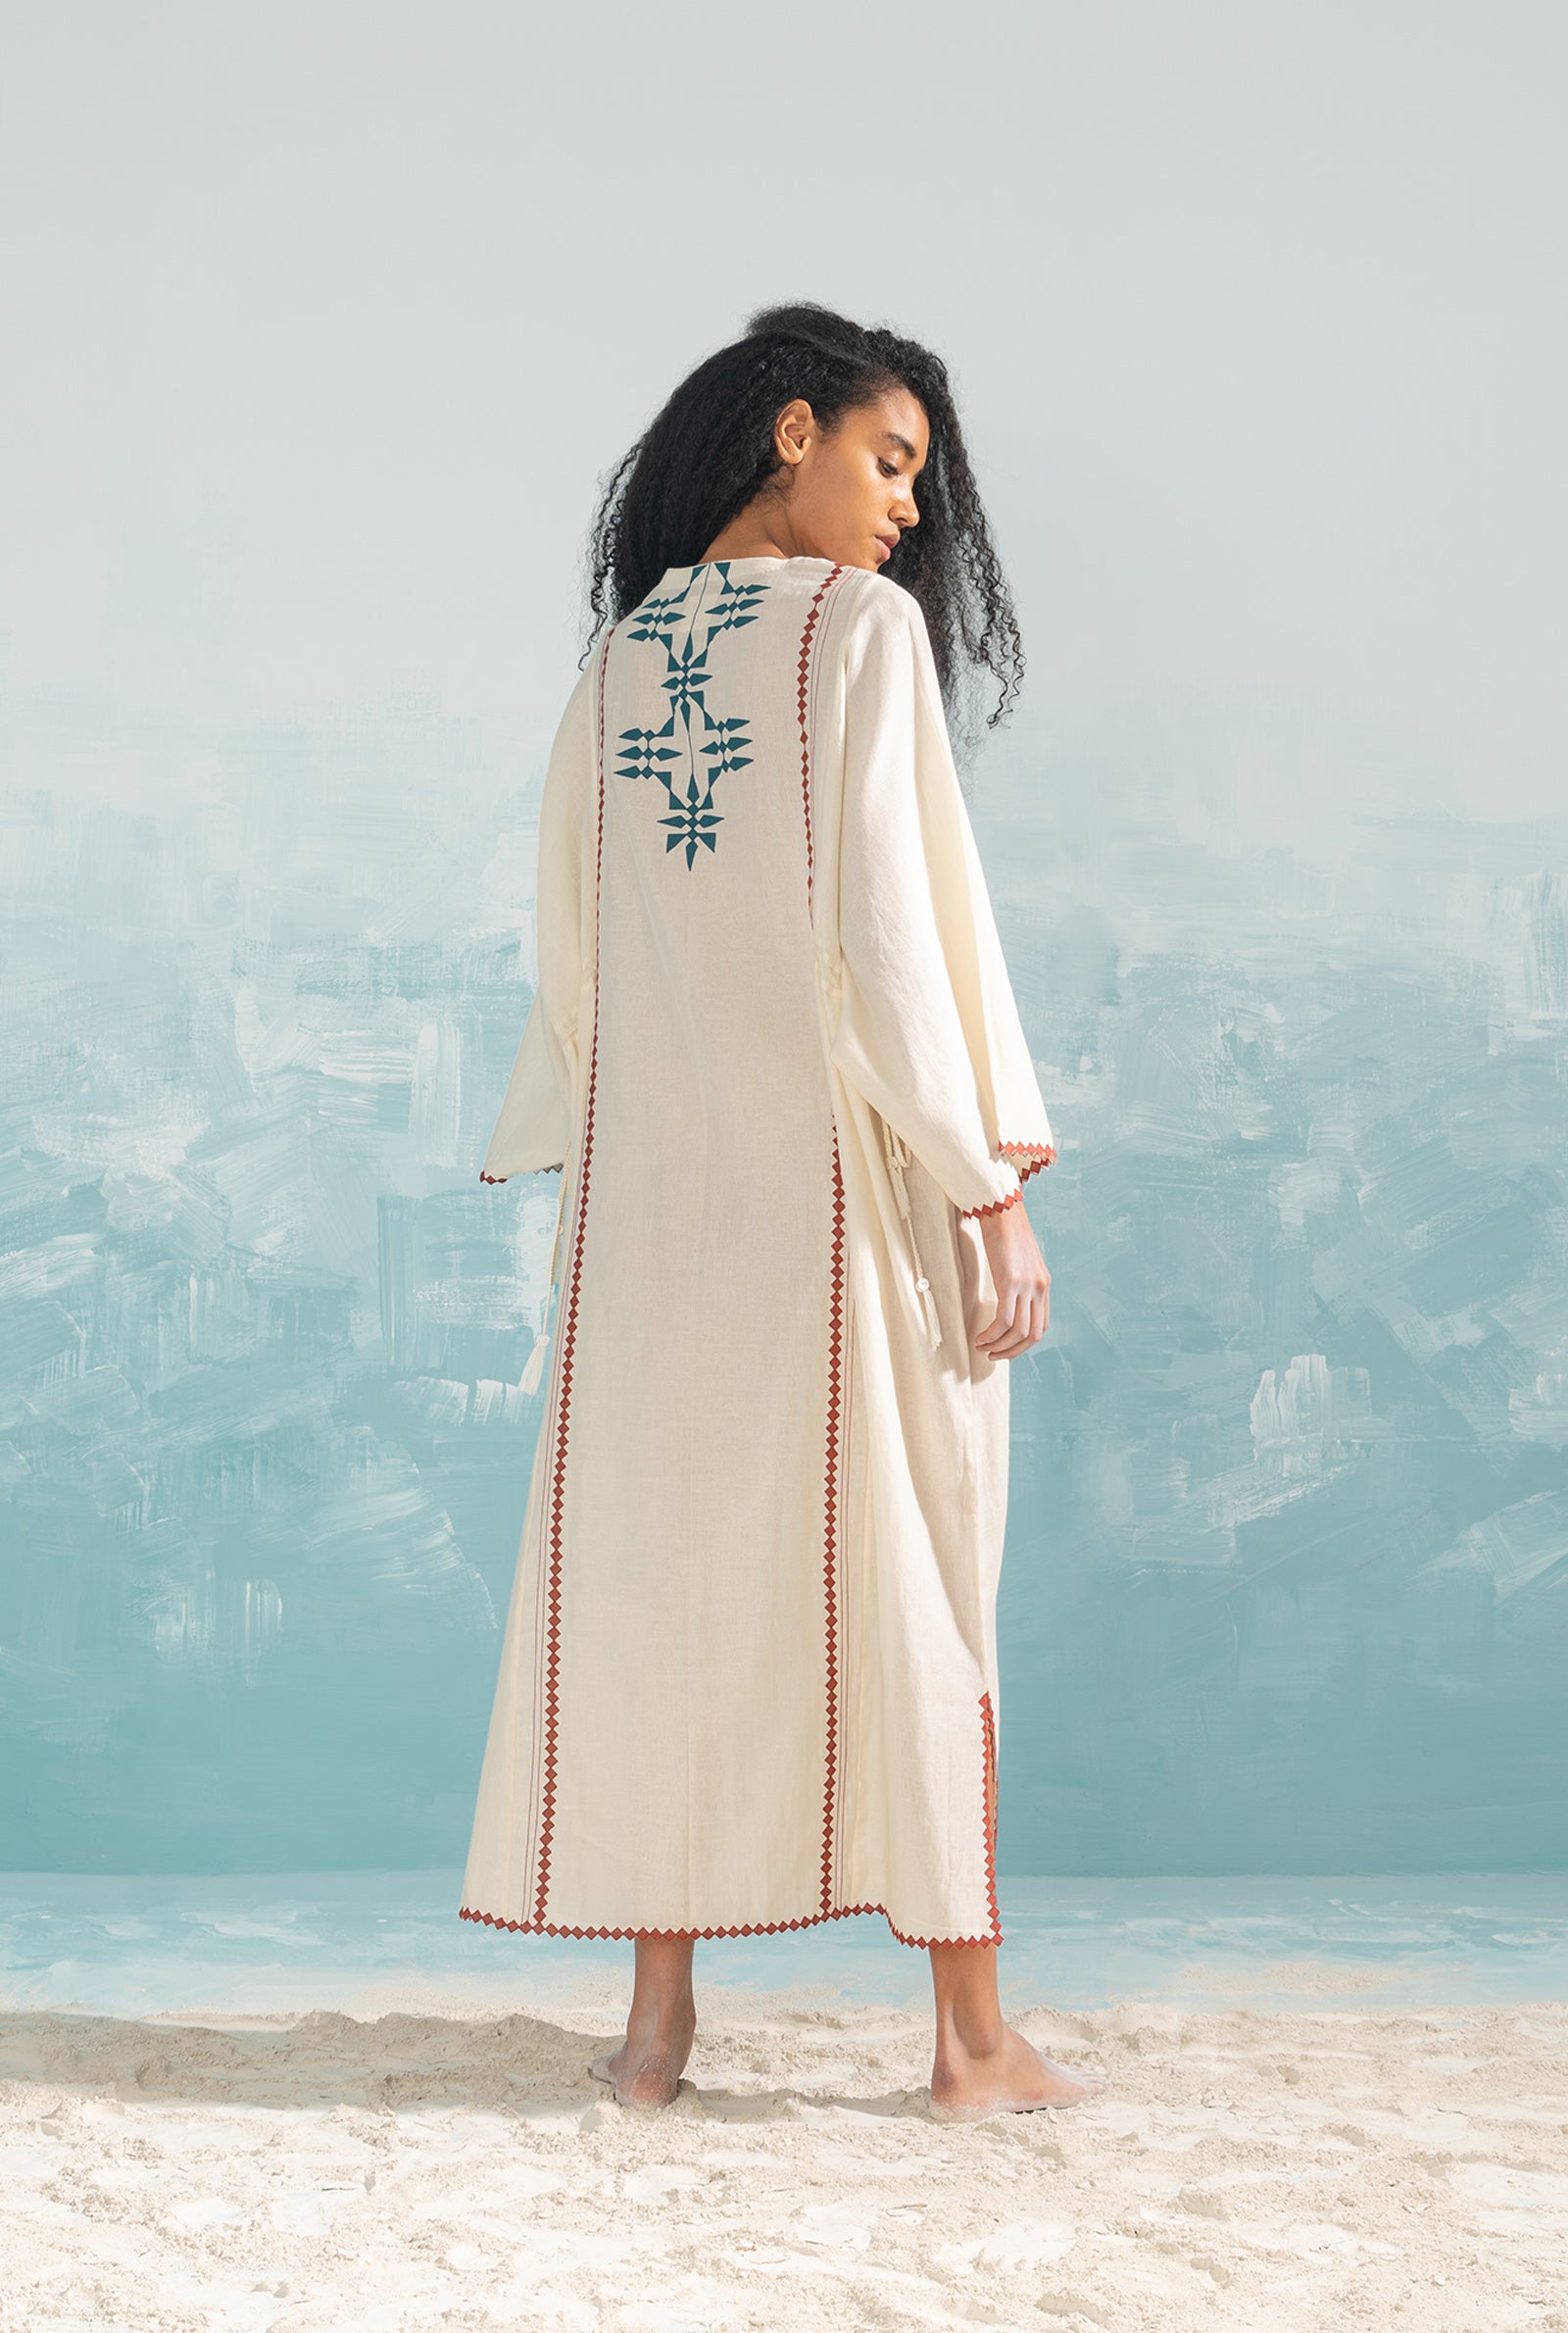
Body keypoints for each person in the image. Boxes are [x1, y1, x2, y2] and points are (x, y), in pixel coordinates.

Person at [461, 303, 1108, 2121]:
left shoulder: (620, 663)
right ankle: (971, 2047)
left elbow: (574, 961)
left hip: (651, 1216)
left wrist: (600, 1135)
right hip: (836, 1203)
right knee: (916, 1579)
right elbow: (894, 939)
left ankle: (654, 2039)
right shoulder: (858, 636)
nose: (909, 511)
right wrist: (989, 1185)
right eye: (892, 462)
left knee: (662, 1581)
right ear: (794, 430)